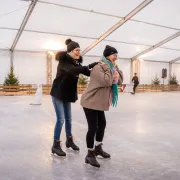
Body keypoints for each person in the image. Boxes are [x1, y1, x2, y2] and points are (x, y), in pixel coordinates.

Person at [50, 39, 98, 157]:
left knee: (69, 119)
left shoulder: (76, 63)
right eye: (77, 50)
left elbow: (86, 72)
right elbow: (73, 70)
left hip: (66, 94)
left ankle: (69, 140)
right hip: (58, 93)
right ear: (70, 51)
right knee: (61, 119)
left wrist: (98, 69)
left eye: (79, 50)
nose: (79, 52)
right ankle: (55, 145)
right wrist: (88, 66)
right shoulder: (64, 61)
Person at [81, 45, 120, 168]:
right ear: (108, 54)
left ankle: (97, 148)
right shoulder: (99, 66)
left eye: (116, 55)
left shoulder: (110, 66)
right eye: (114, 54)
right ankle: (89, 154)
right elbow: (107, 81)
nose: (116, 57)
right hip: (90, 101)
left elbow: (118, 80)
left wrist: (114, 69)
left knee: (102, 124)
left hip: (98, 102)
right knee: (92, 127)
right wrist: (111, 69)